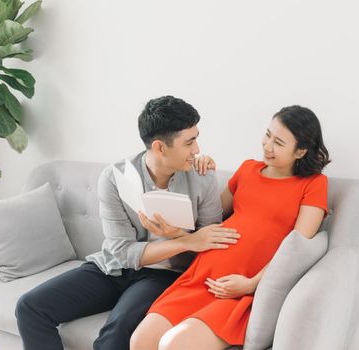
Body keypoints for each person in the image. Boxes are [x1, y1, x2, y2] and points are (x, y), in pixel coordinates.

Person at [15, 95, 240, 350]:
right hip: (113, 268)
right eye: (189, 142)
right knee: (30, 307)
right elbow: (122, 252)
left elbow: (209, 242)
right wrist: (186, 240)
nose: (197, 150)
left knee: (117, 331)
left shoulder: (202, 178)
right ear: (159, 147)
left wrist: (179, 235)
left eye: (196, 139)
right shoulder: (114, 177)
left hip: (162, 275)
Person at [129, 105, 332, 350]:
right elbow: (208, 218)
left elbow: (296, 250)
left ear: (300, 151)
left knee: (174, 344)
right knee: (140, 341)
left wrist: (252, 283)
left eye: (278, 142)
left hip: (239, 290)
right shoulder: (247, 169)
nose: (267, 146)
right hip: (201, 277)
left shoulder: (314, 184)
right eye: (267, 135)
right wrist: (200, 171)